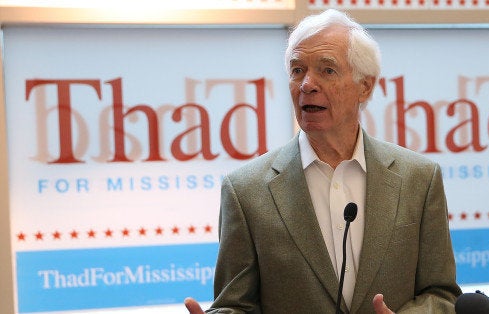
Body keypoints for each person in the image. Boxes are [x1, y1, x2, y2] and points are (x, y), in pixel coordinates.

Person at [185, 8, 461, 313]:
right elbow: (236, 304)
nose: (307, 85)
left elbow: (442, 293)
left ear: (365, 86)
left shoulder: (419, 179)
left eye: (327, 70)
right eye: (297, 70)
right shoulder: (246, 191)